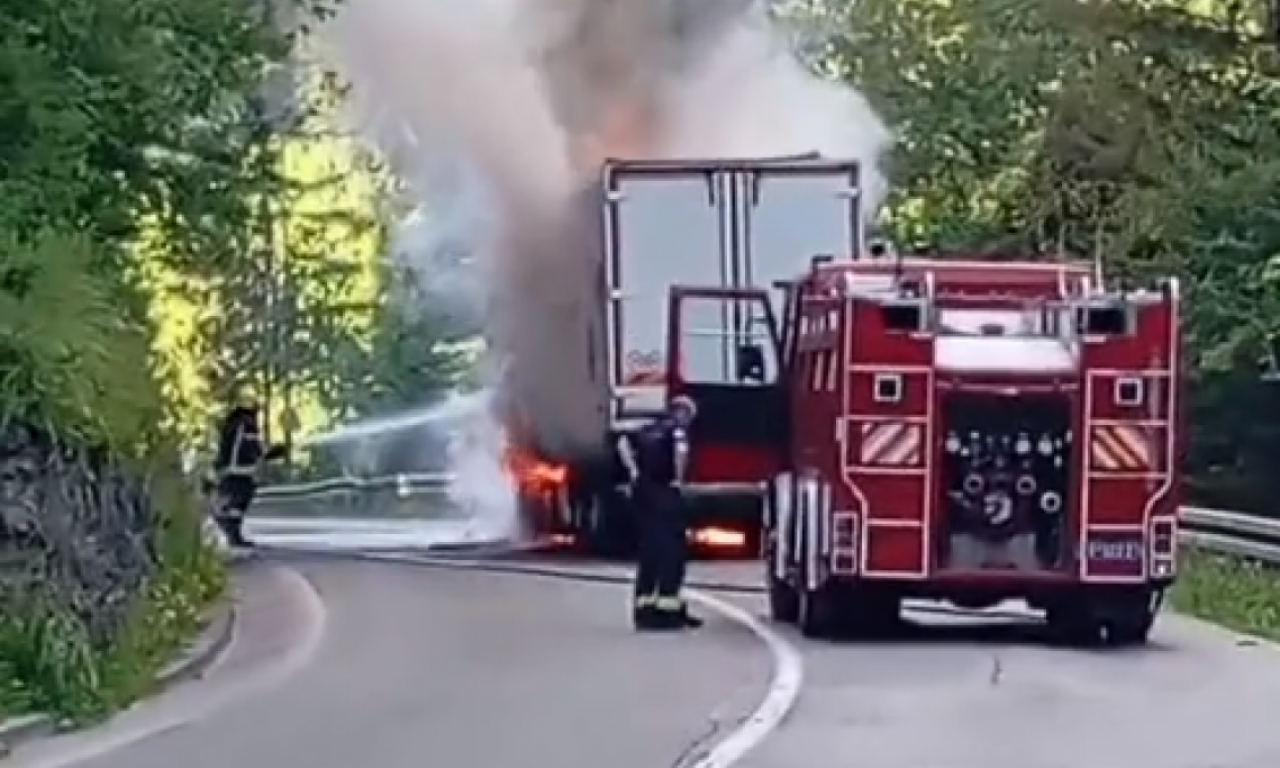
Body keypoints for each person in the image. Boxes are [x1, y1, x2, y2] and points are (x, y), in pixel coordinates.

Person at [617, 395, 703, 631]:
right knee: (672, 554)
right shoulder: (676, 432)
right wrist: (678, 479)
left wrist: (633, 471)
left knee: (649, 553)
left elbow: (622, 442)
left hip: (643, 492)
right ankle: (666, 614)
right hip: (665, 494)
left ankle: (643, 612)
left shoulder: (648, 429)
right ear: (683, 413)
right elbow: (681, 452)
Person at [210, 390, 286, 548]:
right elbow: (251, 448)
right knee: (240, 501)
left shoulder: (233, 423)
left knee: (233, 501)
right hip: (239, 470)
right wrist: (271, 453)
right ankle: (231, 531)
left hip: (229, 469)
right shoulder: (247, 423)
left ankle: (229, 528)